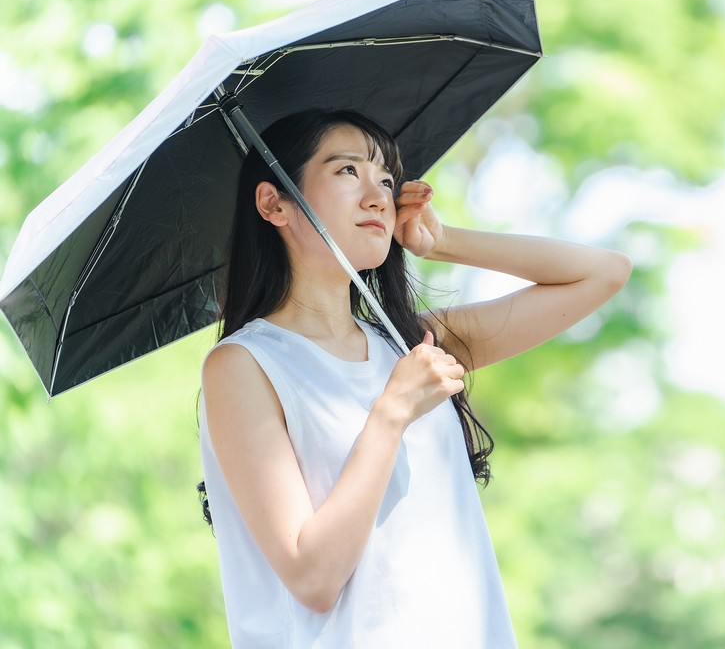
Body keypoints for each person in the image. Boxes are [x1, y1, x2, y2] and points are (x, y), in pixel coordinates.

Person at [199, 108, 631, 648]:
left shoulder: (408, 344)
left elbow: (603, 272)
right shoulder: (245, 365)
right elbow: (312, 578)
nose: (378, 195)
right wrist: (391, 414)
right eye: (347, 172)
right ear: (274, 202)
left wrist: (440, 240)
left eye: (385, 177)